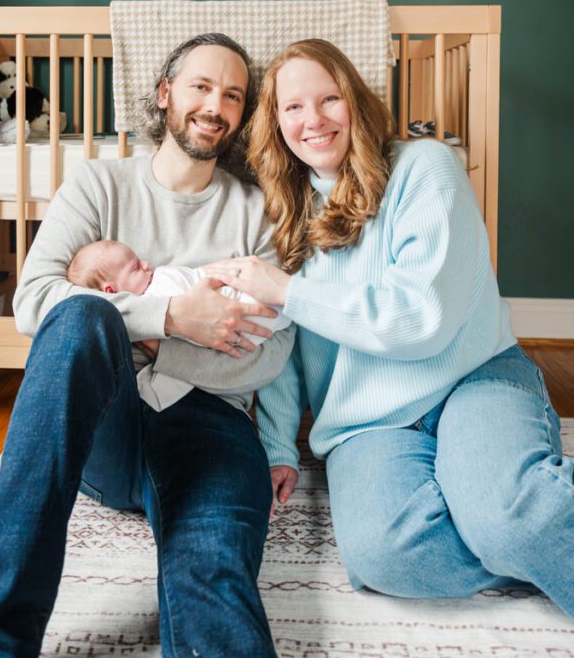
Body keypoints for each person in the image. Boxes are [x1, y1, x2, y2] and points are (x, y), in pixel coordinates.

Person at [0, 33, 295, 658]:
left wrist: (166, 351)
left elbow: (271, 350)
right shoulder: (97, 185)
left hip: (212, 422)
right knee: (81, 317)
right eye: (201, 86)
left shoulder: (254, 212)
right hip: (104, 420)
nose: (216, 105)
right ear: (164, 94)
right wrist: (172, 317)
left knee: (213, 572)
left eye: (233, 95)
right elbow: (34, 301)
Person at [204, 38, 574, 618]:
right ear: (274, 124)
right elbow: (280, 339)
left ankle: (516, 528)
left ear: (355, 100)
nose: (314, 120)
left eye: (330, 99)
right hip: (364, 418)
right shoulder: (279, 210)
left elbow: (419, 320)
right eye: (293, 107)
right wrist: (277, 445)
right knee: (388, 556)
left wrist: (287, 289)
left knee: (509, 517)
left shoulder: (425, 166)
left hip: (469, 378)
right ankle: (519, 541)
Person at [67, 238, 291, 410]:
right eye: (135, 268)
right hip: (132, 400)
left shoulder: (160, 282)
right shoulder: (144, 300)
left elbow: (194, 281)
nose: (146, 264)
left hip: (241, 325)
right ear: (111, 291)